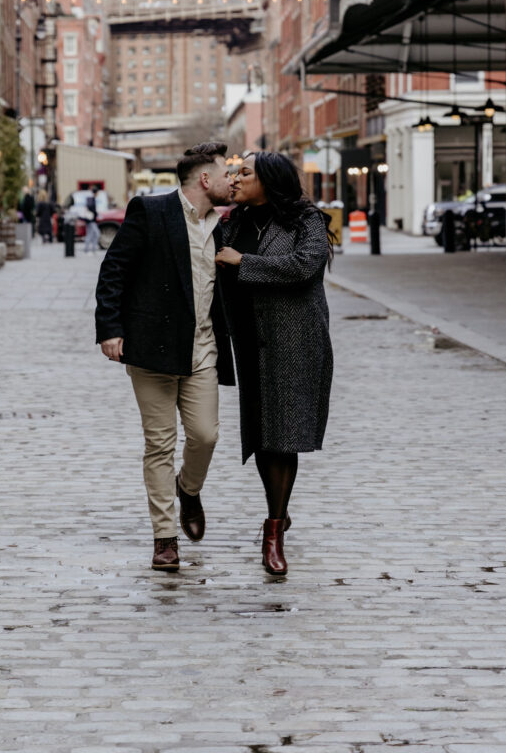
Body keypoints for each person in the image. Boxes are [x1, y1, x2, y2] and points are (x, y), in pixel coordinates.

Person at [95, 143, 234, 572]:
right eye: (226, 174)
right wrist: (111, 328)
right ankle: (165, 538)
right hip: (152, 348)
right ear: (205, 180)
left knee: (205, 436)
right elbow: (114, 268)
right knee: (159, 444)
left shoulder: (226, 226)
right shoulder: (150, 211)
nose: (233, 181)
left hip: (203, 351)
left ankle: (188, 490)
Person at [215, 151, 333, 577]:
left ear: (269, 179)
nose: (237, 178)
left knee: (283, 436)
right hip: (249, 340)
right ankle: (276, 517)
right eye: (234, 173)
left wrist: (243, 261)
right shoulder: (230, 222)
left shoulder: (307, 221)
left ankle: (273, 530)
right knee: (264, 436)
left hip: (294, 339)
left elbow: (303, 267)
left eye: (245, 173)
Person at [83, 186, 100, 254]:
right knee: (95, 233)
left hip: (90, 220)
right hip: (91, 220)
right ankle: (91, 248)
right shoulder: (91, 199)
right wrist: (96, 213)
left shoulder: (90, 198)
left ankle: (90, 248)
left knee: (91, 234)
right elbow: (90, 208)